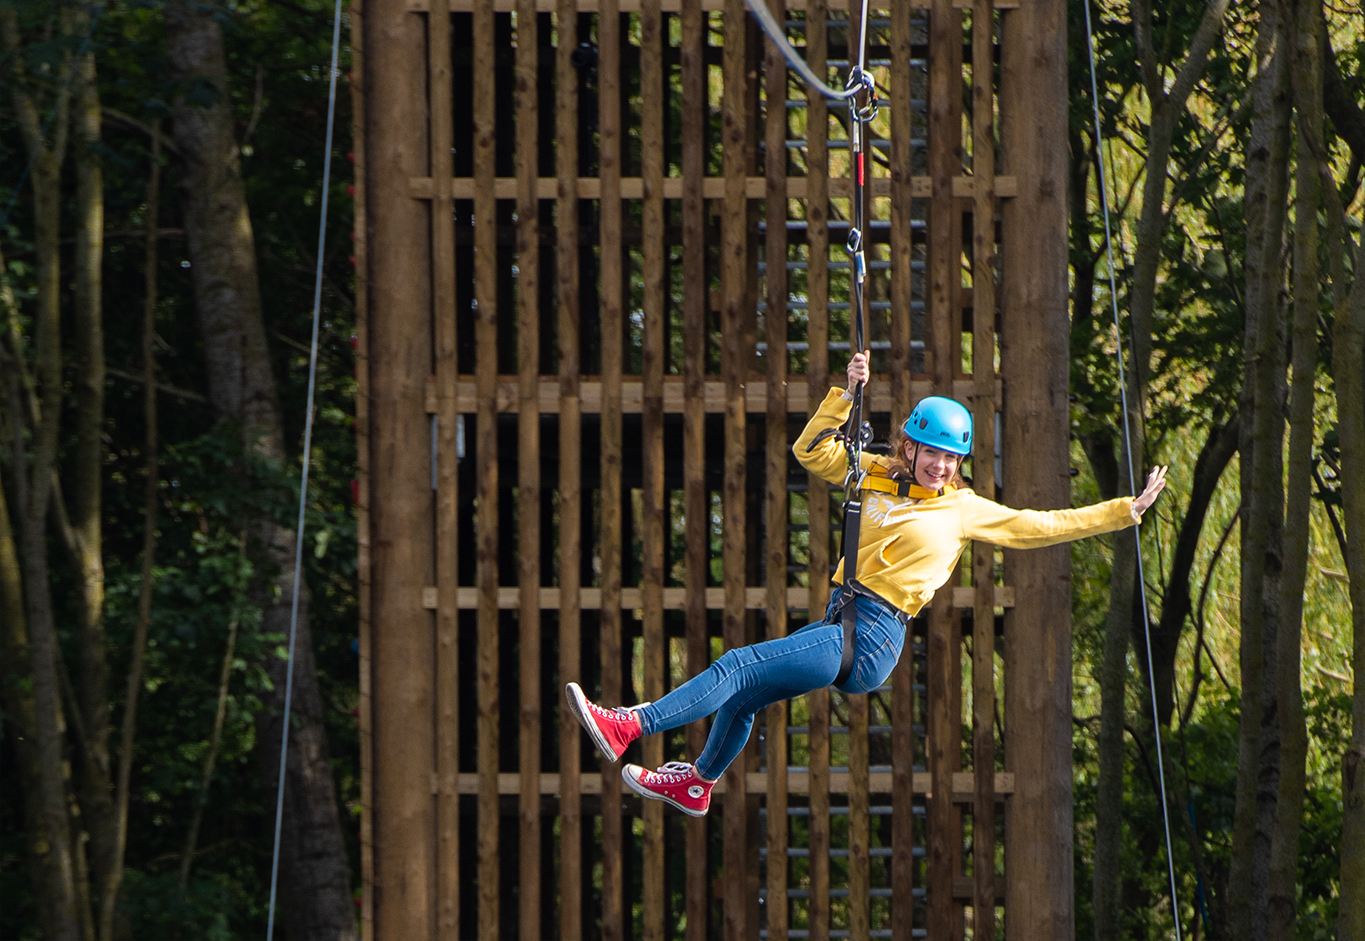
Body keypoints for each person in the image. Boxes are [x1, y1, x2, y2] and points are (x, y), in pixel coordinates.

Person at [565, 351, 1168, 817]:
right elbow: (810, 450)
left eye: (949, 459)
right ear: (908, 445)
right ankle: (698, 783)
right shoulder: (876, 473)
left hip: (875, 635)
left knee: (740, 665)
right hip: (841, 619)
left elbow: (1040, 526)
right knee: (746, 694)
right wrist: (845, 393)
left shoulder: (963, 509)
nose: (938, 466)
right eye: (929, 452)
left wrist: (1123, 511)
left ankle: (630, 724)